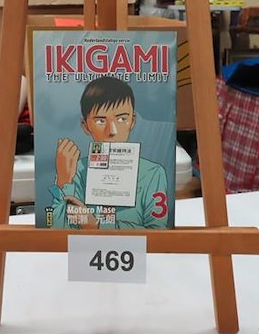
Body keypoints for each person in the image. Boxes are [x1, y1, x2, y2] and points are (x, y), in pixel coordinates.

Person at [48, 76, 169, 229]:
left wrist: (97, 225)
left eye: (122, 119)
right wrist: (63, 182)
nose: (112, 131)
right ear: (86, 126)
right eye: (100, 121)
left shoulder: (153, 174)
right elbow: (55, 231)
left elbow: (158, 232)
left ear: (132, 121)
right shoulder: (75, 172)